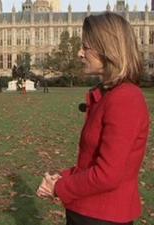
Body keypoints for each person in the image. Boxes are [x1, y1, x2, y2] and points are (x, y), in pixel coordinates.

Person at [36, 12, 150, 225]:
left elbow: (108, 174)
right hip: (87, 212)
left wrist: (59, 188)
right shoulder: (108, 95)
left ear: (108, 50)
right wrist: (61, 177)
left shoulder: (125, 99)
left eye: (85, 47)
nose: (80, 53)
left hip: (102, 216)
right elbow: (91, 162)